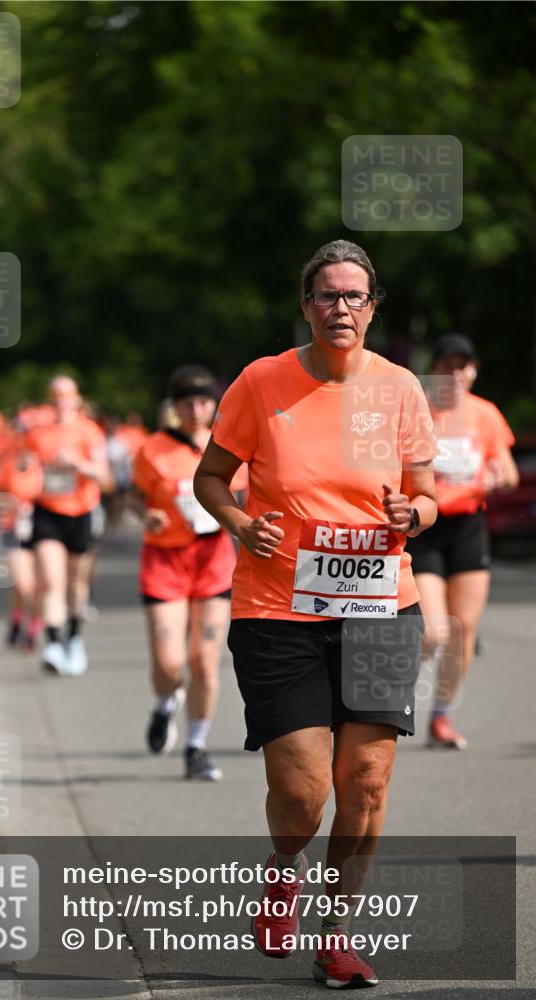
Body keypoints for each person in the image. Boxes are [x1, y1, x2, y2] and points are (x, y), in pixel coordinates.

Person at [194, 239, 437, 988]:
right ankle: (283, 866)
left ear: (371, 308)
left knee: (364, 781)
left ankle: (335, 932)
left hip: (379, 604)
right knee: (303, 793)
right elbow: (209, 479)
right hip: (277, 608)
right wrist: (239, 524)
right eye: (327, 295)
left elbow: (427, 496)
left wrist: (413, 511)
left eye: (354, 296)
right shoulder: (261, 382)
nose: (340, 308)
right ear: (306, 306)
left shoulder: (399, 389)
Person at [407, 333, 519, 749]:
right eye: (447, 365)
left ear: (473, 371)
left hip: (470, 527)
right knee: (434, 631)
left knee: (464, 629)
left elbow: (506, 470)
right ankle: (406, 684)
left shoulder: (484, 414)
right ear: (434, 370)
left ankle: (441, 717)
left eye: (463, 366)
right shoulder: (419, 412)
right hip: (426, 527)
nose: (456, 374)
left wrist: (495, 477)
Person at [132, 366, 241, 781]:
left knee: (205, 659)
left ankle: (196, 747)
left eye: (203, 402)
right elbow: (134, 498)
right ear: (176, 408)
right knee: (170, 662)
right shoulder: (153, 449)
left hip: (212, 561)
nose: (197, 410)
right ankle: (164, 706)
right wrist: (149, 515)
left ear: (213, 404)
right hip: (165, 561)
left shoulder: (229, 445)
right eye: (187, 404)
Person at [24, 376, 112, 676]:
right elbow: (26, 468)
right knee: (51, 580)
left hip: (81, 512)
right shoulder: (38, 433)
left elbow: (106, 477)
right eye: (56, 393)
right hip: (47, 511)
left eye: (67, 393)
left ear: (77, 398)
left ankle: (74, 639)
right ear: (50, 399)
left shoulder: (89, 431)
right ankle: (53, 645)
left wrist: (78, 464)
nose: (61, 398)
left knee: (77, 584)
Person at [0, 445, 44, 652]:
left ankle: (33, 628)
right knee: (23, 584)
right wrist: (13, 504)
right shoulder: (7, 466)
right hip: (13, 528)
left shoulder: (44, 469)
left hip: (41, 530)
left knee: (40, 585)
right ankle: (16, 619)